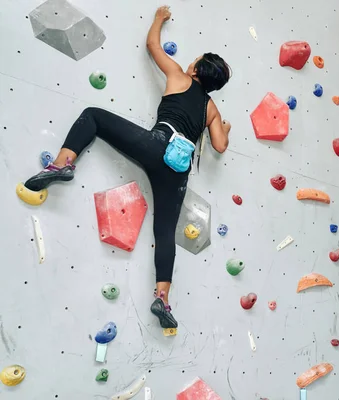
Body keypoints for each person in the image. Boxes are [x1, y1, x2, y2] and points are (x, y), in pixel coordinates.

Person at [19, 6, 231, 328]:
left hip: (157, 145)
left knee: (93, 115)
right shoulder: (211, 109)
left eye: (196, 61)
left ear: (198, 71)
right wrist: (224, 129)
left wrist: (159, 20)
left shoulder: (179, 76)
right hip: (177, 173)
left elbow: (153, 48)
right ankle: (162, 298)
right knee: (164, 233)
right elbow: (219, 145)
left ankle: (61, 165)